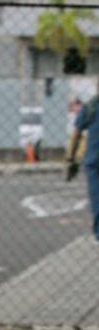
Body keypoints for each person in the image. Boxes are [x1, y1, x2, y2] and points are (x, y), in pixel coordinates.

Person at [66, 87, 99, 242]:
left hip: (94, 161)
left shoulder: (91, 106)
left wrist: (70, 159)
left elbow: (76, 134)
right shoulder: (91, 106)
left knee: (97, 199)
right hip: (94, 162)